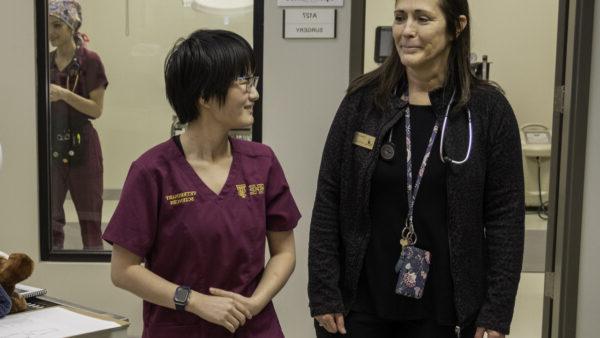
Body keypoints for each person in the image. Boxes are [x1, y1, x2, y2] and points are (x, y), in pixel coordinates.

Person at [308, 0, 524, 337]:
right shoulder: (363, 102)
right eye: (399, 17)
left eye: (423, 19)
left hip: (446, 309)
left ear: (457, 27)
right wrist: (323, 291)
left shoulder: (487, 111)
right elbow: (329, 196)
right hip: (359, 306)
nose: (407, 30)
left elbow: (505, 217)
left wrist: (496, 311)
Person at [103, 29, 301, 338]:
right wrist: (194, 302)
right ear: (205, 96)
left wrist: (254, 303)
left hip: (254, 327)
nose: (255, 94)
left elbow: (284, 251)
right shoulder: (152, 171)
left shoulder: (262, 162)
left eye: (253, 81)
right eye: (243, 82)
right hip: (180, 328)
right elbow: (123, 270)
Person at [48, 0, 108, 250]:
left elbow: (96, 109)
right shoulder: (45, 61)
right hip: (51, 143)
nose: (51, 33)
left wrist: (64, 94)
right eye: (48, 26)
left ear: (72, 27)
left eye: (57, 26)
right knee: (50, 219)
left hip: (83, 146)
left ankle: (93, 270)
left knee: (90, 216)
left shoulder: (90, 61)